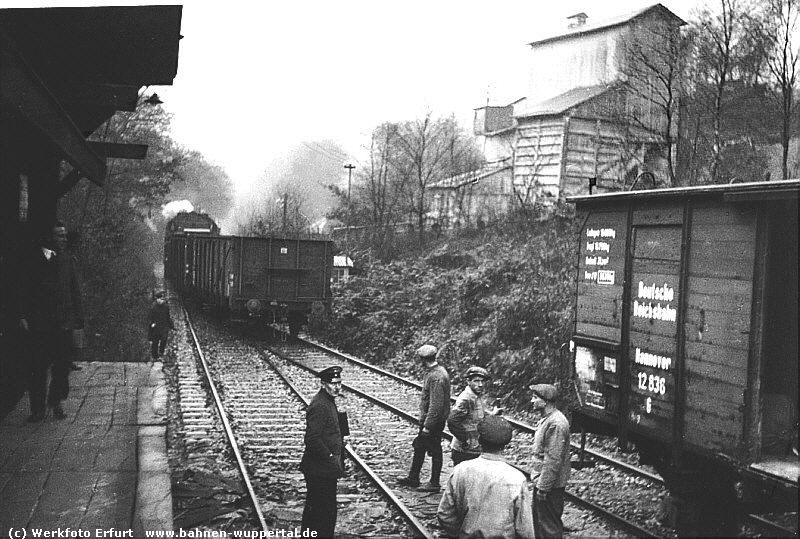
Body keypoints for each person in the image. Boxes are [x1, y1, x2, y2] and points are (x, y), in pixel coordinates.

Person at [18, 222, 84, 422]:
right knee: (38, 367)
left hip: (63, 322)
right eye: (59, 236)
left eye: (64, 236)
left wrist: (79, 319)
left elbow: (74, 290)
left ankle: (55, 400)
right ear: (49, 238)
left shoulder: (67, 260)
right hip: (40, 323)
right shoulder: (33, 260)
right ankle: (37, 409)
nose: (64, 240)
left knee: (62, 366)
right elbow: (24, 290)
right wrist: (22, 315)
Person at [437, 414, 535, 539]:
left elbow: (445, 515)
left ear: (479, 439)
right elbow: (525, 530)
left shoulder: (461, 470)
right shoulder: (517, 478)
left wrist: (460, 533)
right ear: (506, 443)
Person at [397, 344, 451, 492]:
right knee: (419, 446)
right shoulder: (435, 372)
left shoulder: (436, 377)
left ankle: (434, 483)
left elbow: (436, 405)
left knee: (435, 449)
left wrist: (427, 426)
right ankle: (413, 477)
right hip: (432, 420)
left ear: (423, 360)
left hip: (433, 421)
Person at [300, 365, 345, 538]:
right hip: (319, 468)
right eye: (333, 383)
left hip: (324, 468)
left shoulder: (328, 401)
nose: (337, 387)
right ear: (323, 383)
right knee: (323, 511)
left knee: (319, 509)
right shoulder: (320, 405)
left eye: (339, 383)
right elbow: (312, 439)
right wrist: (330, 456)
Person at [529, 383, 571, 539]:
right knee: (542, 524)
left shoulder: (556, 424)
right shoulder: (549, 419)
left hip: (549, 485)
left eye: (535, 397)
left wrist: (543, 488)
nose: (532, 400)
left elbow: (553, 460)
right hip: (544, 481)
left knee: (549, 527)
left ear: (545, 401)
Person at [448, 365, 491, 465]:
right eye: (476, 381)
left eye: (482, 381)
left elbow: (477, 416)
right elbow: (452, 421)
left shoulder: (477, 396)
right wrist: (465, 439)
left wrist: (492, 414)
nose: (480, 384)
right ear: (469, 382)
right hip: (464, 451)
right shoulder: (466, 398)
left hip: (474, 449)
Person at [148, 290, 174, 360]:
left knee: (164, 340)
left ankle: (161, 352)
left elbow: (168, 317)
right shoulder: (153, 307)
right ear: (157, 299)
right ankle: (155, 356)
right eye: (159, 299)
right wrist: (151, 323)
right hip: (156, 327)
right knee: (155, 342)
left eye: (162, 299)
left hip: (164, 326)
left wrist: (171, 326)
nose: (161, 301)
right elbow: (150, 317)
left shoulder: (166, 307)